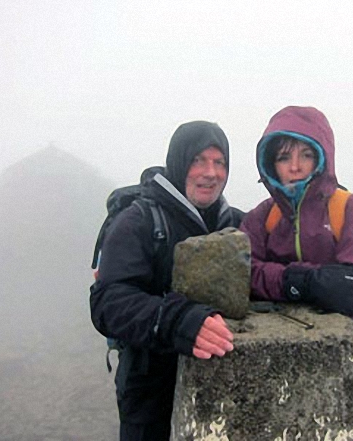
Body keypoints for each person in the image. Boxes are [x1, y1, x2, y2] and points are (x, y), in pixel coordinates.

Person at [240, 106, 353, 440]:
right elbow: (242, 273)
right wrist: (308, 281)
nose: (295, 166)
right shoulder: (261, 218)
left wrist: (282, 279)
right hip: (281, 370)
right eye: (284, 156)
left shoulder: (352, 207)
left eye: (306, 154)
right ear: (269, 163)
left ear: (324, 157)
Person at [90, 120, 244, 441]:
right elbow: (108, 301)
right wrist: (176, 320)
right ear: (178, 162)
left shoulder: (235, 223)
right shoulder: (140, 221)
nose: (211, 172)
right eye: (198, 160)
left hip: (218, 383)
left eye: (220, 162)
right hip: (148, 386)